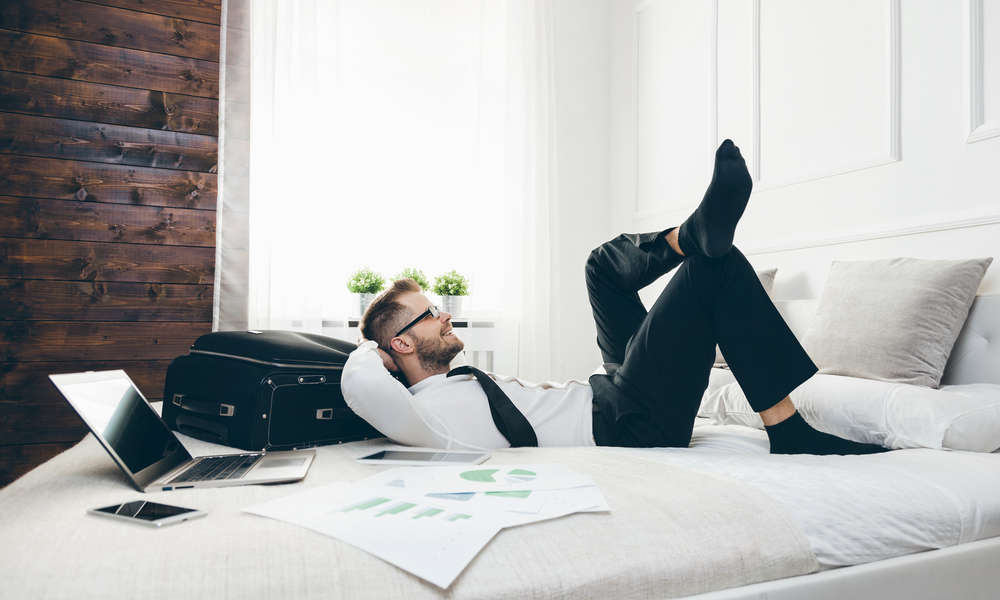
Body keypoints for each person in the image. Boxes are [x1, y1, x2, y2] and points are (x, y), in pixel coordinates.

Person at [342, 140, 887, 455]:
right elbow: (361, 382)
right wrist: (373, 350)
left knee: (600, 267)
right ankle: (788, 431)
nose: (447, 315)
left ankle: (690, 233)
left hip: (614, 391)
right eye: (433, 313)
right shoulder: (418, 418)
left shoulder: (447, 390)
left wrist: (390, 347)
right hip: (631, 423)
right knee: (711, 273)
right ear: (403, 342)